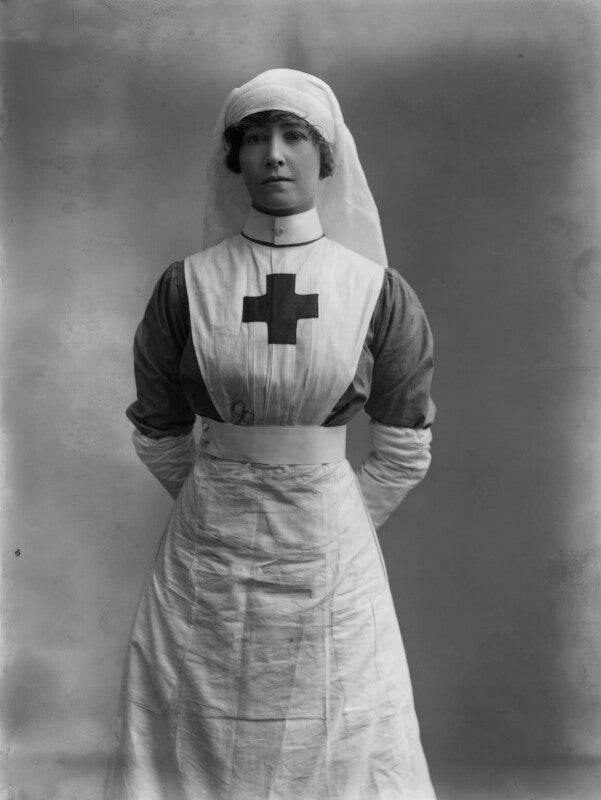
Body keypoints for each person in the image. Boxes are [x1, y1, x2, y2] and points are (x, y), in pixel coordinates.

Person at [105, 68, 437, 800]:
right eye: (255, 138)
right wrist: (215, 499)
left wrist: (335, 517)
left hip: (331, 548)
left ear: (327, 157)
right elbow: (158, 428)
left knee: (336, 723)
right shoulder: (186, 287)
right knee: (198, 722)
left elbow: (403, 447)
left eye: (294, 137)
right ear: (234, 158)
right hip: (206, 548)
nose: (275, 155)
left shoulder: (376, 292)